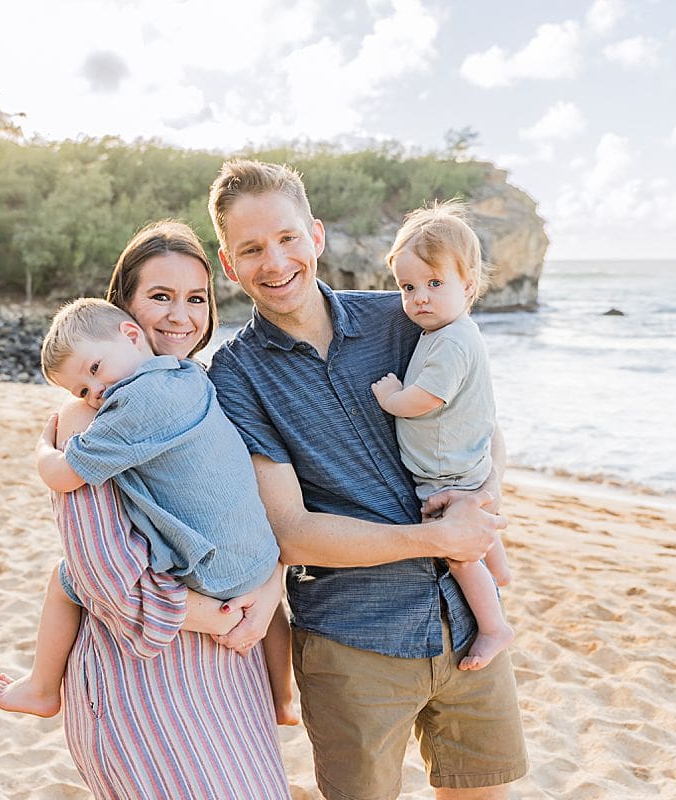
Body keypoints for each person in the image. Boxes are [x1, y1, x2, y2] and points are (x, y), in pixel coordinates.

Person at [206, 161, 528, 800]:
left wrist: (480, 501)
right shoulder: (235, 378)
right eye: (251, 248)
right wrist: (441, 538)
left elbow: (481, 421)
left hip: (467, 626)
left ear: (316, 235)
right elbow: (292, 534)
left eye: (288, 238)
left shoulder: (406, 315)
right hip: (354, 646)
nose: (275, 261)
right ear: (228, 263)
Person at [0, 220, 291, 799]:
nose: (182, 316)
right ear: (126, 311)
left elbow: (245, 506)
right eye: (161, 297)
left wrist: (270, 586)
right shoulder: (91, 419)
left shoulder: (198, 383)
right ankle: (42, 685)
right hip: (146, 682)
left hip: (227, 671)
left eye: (196, 299)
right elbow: (105, 574)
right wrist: (214, 614)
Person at [370, 200, 514, 672]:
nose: (420, 298)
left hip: (445, 471)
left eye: (435, 284)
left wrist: (392, 398)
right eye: (408, 287)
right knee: (479, 513)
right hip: (464, 461)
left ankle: (494, 627)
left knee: (458, 552)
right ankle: (502, 568)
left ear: (468, 285)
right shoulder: (450, 331)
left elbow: (429, 397)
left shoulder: (452, 339)